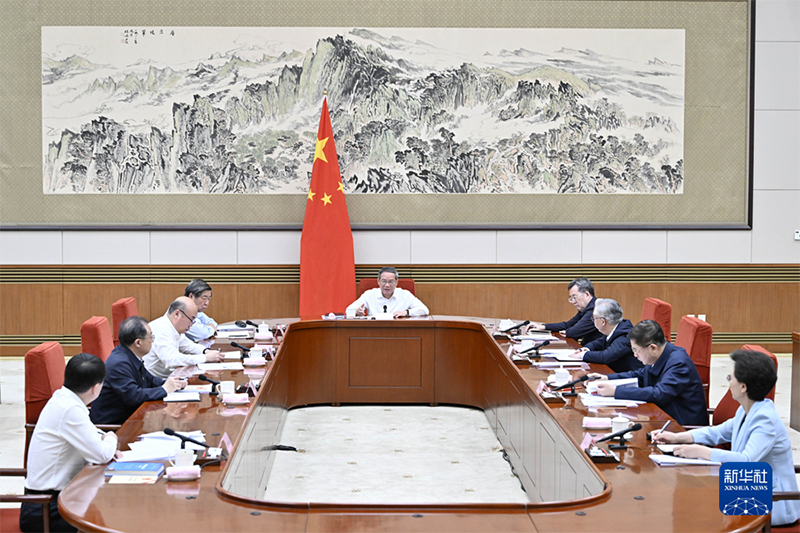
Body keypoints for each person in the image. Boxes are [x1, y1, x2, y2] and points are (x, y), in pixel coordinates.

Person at [653, 350, 800, 527]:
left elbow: (746, 460)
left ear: (743, 387)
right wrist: (677, 437)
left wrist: (702, 452)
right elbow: (717, 433)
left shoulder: (765, 419)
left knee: (697, 514)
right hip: (747, 487)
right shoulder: (746, 410)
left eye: (731, 378)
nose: (728, 382)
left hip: (771, 501)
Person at [20, 353, 121, 533]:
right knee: (114, 517)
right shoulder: (70, 409)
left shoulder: (64, 399)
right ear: (95, 388)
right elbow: (102, 455)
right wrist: (111, 438)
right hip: (46, 510)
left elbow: (90, 433)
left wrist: (104, 439)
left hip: (61, 500)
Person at [589, 319, 708, 427]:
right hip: (663, 419)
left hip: (682, 428)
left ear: (653, 348)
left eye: (636, 350)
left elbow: (659, 394)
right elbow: (640, 375)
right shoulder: (661, 354)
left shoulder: (679, 362)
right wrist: (606, 378)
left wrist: (615, 391)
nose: (635, 355)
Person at [90, 316, 186, 425]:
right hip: (114, 426)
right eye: (151, 337)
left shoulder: (129, 355)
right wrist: (164, 389)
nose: (153, 341)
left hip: (131, 419)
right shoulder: (119, 364)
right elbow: (134, 396)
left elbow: (150, 380)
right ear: (138, 343)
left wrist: (173, 383)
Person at [144, 297, 222, 378]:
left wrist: (205, 351)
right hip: (154, 382)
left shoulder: (173, 327)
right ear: (177, 314)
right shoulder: (162, 329)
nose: (191, 325)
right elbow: (172, 360)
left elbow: (188, 345)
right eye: (191, 320)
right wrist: (205, 358)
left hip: (167, 378)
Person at [569, 298, 643, 373]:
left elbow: (605, 356)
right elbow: (598, 343)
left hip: (630, 377)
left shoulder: (625, 336)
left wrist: (583, 355)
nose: (593, 321)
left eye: (594, 318)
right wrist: (586, 348)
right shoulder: (616, 328)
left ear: (603, 321)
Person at [531, 277, 602, 346]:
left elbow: (573, 332)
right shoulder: (586, 309)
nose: (573, 302)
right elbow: (567, 325)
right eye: (571, 298)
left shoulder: (595, 310)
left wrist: (567, 332)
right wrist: (543, 327)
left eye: (575, 297)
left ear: (587, 295)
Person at [345, 267, 429, 318]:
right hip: (373, 332)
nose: (387, 285)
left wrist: (406, 312)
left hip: (399, 332)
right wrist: (356, 311)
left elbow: (424, 310)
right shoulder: (369, 294)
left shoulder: (405, 295)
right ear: (378, 281)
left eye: (391, 282)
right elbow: (348, 310)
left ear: (396, 282)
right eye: (384, 281)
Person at [184, 278, 217, 345]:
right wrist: (210, 329)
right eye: (204, 298)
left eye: (209, 299)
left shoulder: (197, 312)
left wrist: (209, 328)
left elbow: (212, 323)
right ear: (191, 296)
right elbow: (202, 334)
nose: (207, 303)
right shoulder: (182, 312)